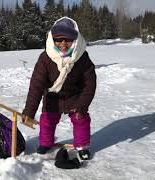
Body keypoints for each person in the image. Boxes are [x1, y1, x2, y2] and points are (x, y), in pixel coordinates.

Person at [22, 17, 97, 160]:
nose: (63, 43)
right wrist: (29, 111)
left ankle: (82, 145)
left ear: (75, 40)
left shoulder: (82, 57)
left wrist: (82, 104)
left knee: (81, 119)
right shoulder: (45, 58)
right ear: (52, 39)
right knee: (47, 120)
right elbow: (36, 85)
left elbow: (89, 84)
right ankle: (46, 143)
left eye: (68, 39)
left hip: (74, 96)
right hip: (52, 96)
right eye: (59, 39)